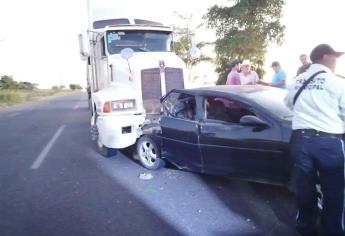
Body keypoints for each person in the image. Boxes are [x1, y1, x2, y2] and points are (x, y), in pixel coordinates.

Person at [285, 44, 345, 236]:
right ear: (326, 56)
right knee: (334, 191)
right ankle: (332, 231)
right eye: (335, 57)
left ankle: (305, 228)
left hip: (301, 140)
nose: (337, 61)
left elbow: (288, 103)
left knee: (305, 188)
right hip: (329, 142)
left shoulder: (297, 80)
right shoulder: (336, 82)